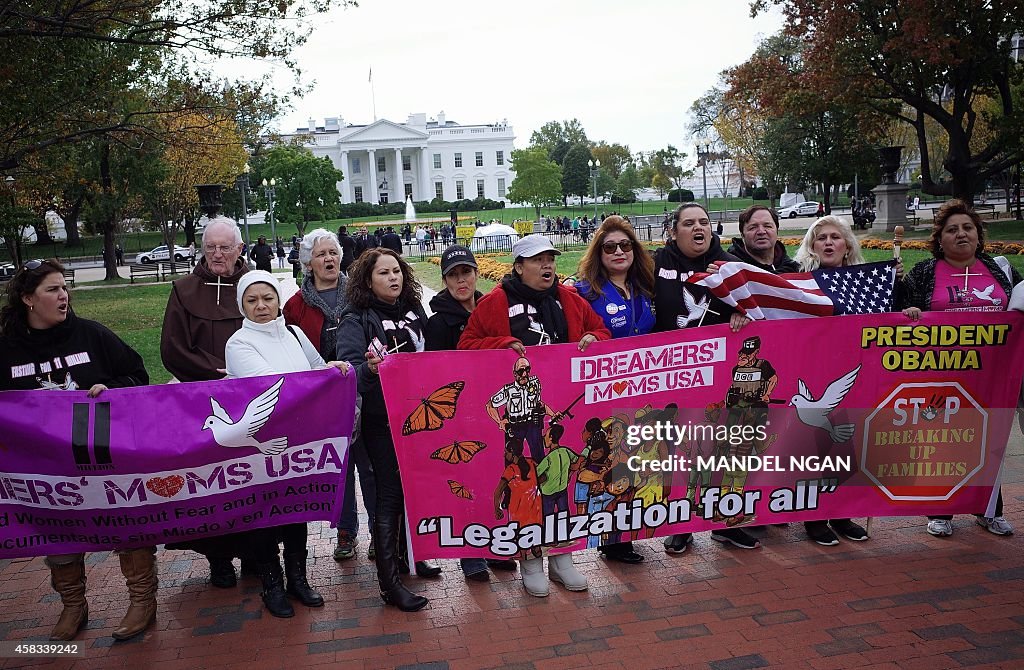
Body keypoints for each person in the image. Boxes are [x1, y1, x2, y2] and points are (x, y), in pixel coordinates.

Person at [0, 259, 156, 641]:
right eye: (52, 289)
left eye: (65, 287)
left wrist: (112, 390)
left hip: (104, 457)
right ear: (28, 299)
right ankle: (73, 605)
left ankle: (142, 600)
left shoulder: (91, 336)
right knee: (59, 532)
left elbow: (138, 374)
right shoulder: (6, 350)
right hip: (46, 467)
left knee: (127, 522)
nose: (63, 295)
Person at [460, 234, 611, 597]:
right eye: (537, 260)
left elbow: (601, 331)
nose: (547, 266)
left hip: (552, 420)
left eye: (551, 259)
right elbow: (466, 346)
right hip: (517, 422)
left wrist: (593, 339)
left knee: (557, 486)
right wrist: (500, 345)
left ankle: (562, 558)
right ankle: (530, 559)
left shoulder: (569, 299)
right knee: (527, 486)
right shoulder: (497, 302)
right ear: (518, 267)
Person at [224, 270, 350, 617]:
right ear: (242, 306)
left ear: (279, 300)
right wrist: (314, 380)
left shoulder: (294, 332)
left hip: (299, 436)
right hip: (260, 443)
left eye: (267, 298)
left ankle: (299, 579)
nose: (261, 306)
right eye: (252, 300)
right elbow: (267, 384)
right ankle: (272, 584)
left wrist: (332, 368)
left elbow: (316, 366)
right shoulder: (238, 343)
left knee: (296, 508)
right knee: (264, 513)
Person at [898, 199, 1020, 538]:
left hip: (992, 376)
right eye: (952, 230)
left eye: (968, 228)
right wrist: (907, 311)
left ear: (979, 236)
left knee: (990, 442)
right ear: (940, 239)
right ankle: (940, 511)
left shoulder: (1000, 270)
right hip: (940, 373)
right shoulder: (924, 272)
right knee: (942, 443)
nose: (961, 234)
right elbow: (900, 310)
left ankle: (989, 510)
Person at [654, 203, 760, 552]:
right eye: (689, 223)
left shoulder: (730, 265)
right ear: (674, 232)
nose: (698, 228)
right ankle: (682, 524)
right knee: (685, 451)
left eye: (704, 222)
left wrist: (743, 317)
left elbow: (755, 308)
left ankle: (725, 523)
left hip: (721, 376)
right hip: (674, 375)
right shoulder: (658, 263)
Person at [336, 249, 434, 612]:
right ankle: (389, 583)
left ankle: (411, 556)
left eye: (397, 271)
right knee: (389, 494)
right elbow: (349, 370)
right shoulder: (356, 318)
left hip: (419, 417)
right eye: (384, 273)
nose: (393, 278)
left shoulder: (412, 309)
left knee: (413, 489)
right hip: (381, 421)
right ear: (367, 280)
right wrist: (371, 371)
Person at [794, 215, 901, 544]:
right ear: (811, 246)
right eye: (821, 237)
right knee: (814, 450)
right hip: (813, 374)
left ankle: (841, 513)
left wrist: (906, 307)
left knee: (848, 448)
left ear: (847, 245)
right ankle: (813, 518)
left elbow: (886, 323)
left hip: (856, 377)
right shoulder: (798, 284)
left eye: (835, 237)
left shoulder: (869, 284)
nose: (828, 242)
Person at [160, 216, 251, 586]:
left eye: (224, 247)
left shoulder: (253, 286)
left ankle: (256, 554)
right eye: (210, 247)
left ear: (239, 250)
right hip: (201, 402)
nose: (217, 254)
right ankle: (218, 559)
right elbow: (173, 348)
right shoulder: (184, 290)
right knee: (209, 486)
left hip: (248, 398)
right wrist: (218, 375)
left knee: (249, 481)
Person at [422, 244, 518, 582]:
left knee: (498, 477)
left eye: (466, 272)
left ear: (476, 273)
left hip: (495, 407)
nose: (461, 280)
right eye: (453, 275)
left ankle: (497, 544)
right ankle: (471, 555)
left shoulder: (494, 311)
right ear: (445, 280)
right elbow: (436, 373)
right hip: (462, 414)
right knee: (466, 484)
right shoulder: (438, 323)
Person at [283, 229, 377, 563]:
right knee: (340, 467)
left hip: (363, 390)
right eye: (321, 254)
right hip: (323, 398)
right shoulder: (295, 306)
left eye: (333, 253)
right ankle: (346, 531)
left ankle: (380, 532)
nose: (328, 259)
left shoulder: (359, 293)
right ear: (309, 263)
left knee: (369, 464)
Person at [571, 215, 655, 564]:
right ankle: (612, 538)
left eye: (625, 245)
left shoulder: (647, 288)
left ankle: (628, 530)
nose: (619, 252)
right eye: (610, 247)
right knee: (610, 465)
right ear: (599, 253)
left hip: (644, 390)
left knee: (636, 465)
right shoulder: (583, 291)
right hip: (605, 395)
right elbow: (572, 338)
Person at [728, 205, 800, 273]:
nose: (761, 232)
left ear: (777, 230)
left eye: (768, 226)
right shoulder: (729, 270)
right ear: (742, 234)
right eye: (753, 227)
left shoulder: (795, 270)